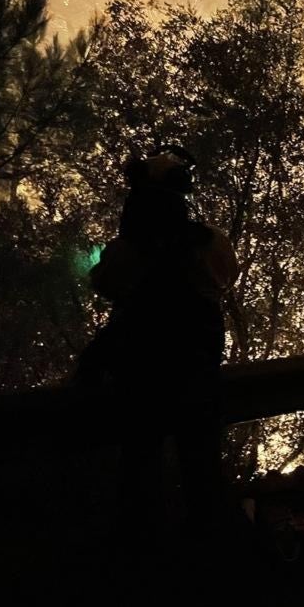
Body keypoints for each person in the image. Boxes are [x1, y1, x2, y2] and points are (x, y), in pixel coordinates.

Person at [86, 146, 239, 541]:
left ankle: (143, 558)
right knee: (202, 471)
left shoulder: (126, 253)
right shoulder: (212, 245)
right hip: (197, 377)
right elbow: (226, 276)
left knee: (139, 472)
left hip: (141, 381)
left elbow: (103, 283)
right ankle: (209, 557)